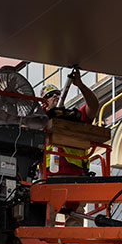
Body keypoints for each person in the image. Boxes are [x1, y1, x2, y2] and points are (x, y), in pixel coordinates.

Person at [40, 68, 101, 226]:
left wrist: (80, 85)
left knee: (75, 217)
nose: (55, 96)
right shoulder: (38, 123)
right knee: (47, 215)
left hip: (75, 176)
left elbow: (93, 107)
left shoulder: (72, 118)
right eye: (49, 95)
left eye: (57, 94)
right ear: (43, 103)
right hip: (49, 177)